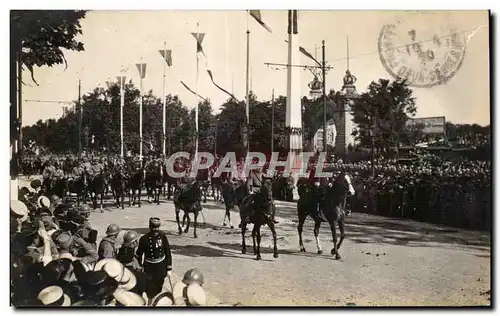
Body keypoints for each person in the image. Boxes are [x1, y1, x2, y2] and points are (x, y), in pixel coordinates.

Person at [136, 217, 173, 300]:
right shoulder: (144, 239)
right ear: (150, 227)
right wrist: (140, 266)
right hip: (149, 267)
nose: (156, 231)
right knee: (149, 287)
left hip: (161, 266)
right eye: (154, 228)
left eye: (157, 228)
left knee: (159, 285)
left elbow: (167, 252)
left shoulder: (163, 236)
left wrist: (169, 267)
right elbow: (139, 254)